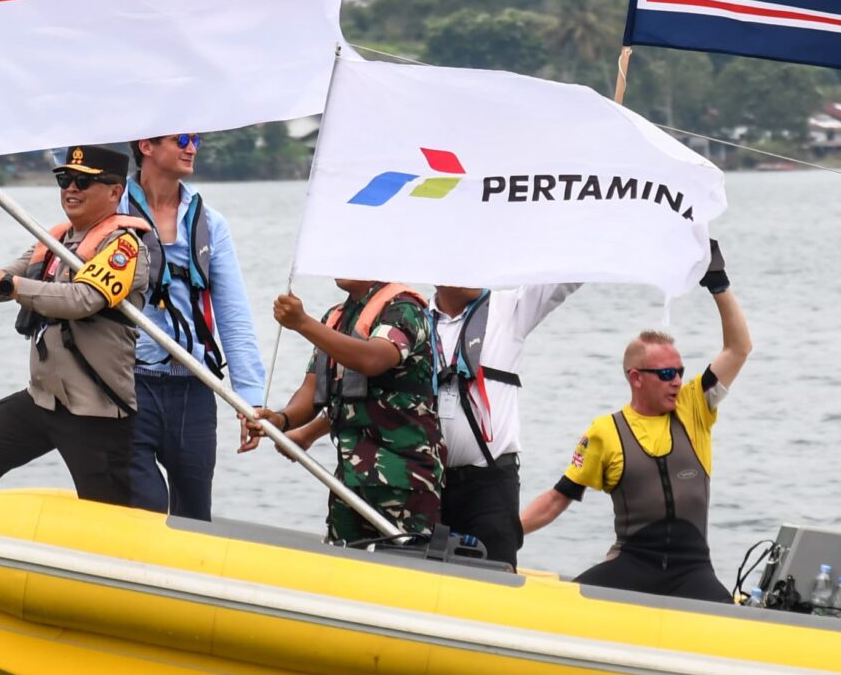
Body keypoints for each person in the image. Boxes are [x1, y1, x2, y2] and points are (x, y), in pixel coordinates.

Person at [519, 243, 748, 602]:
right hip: (631, 565)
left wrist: (719, 285)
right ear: (636, 377)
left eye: (680, 372)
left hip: (693, 571)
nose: (677, 380)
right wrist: (505, 536)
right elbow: (555, 500)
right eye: (667, 373)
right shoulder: (605, 432)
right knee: (558, 605)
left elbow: (738, 349)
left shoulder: (694, 407)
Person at [0, 145, 160, 506]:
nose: (71, 189)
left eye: (83, 182)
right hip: (44, 400)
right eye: (65, 180)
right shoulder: (54, 240)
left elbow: (82, 300)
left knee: (107, 514)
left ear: (115, 191)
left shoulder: (125, 247)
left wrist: (4, 284)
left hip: (95, 408)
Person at [121, 133, 266, 520]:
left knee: (195, 516)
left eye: (196, 139)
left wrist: (249, 398)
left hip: (194, 388)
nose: (192, 148)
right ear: (146, 146)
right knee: (145, 510)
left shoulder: (210, 223)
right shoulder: (112, 211)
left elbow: (233, 312)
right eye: (181, 139)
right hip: (128, 385)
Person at [242, 278, 443, 544]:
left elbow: (372, 359)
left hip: (404, 480)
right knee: (344, 566)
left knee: (403, 571)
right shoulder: (336, 318)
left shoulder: (404, 309)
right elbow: (313, 390)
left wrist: (302, 323)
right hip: (349, 479)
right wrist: (281, 419)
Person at [428, 282, 579, 566]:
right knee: (422, 579)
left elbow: (566, 277)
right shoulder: (416, 319)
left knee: (494, 578)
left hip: (488, 485)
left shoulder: (510, 308)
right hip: (427, 483)